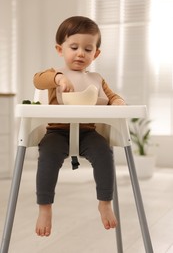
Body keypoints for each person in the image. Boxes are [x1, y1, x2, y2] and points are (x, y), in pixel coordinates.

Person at [33, 16, 125, 237]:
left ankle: (104, 201)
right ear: (60, 49)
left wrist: (118, 102)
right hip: (57, 132)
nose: (80, 53)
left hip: (88, 132)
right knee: (47, 156)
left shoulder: (96, 78)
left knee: (104, 152)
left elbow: (112, 97)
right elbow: (38, 80)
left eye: (88, 48)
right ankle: (45, 208)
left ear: (96, 53)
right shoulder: (53, 74)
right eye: (74, 47)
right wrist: (58, 80)